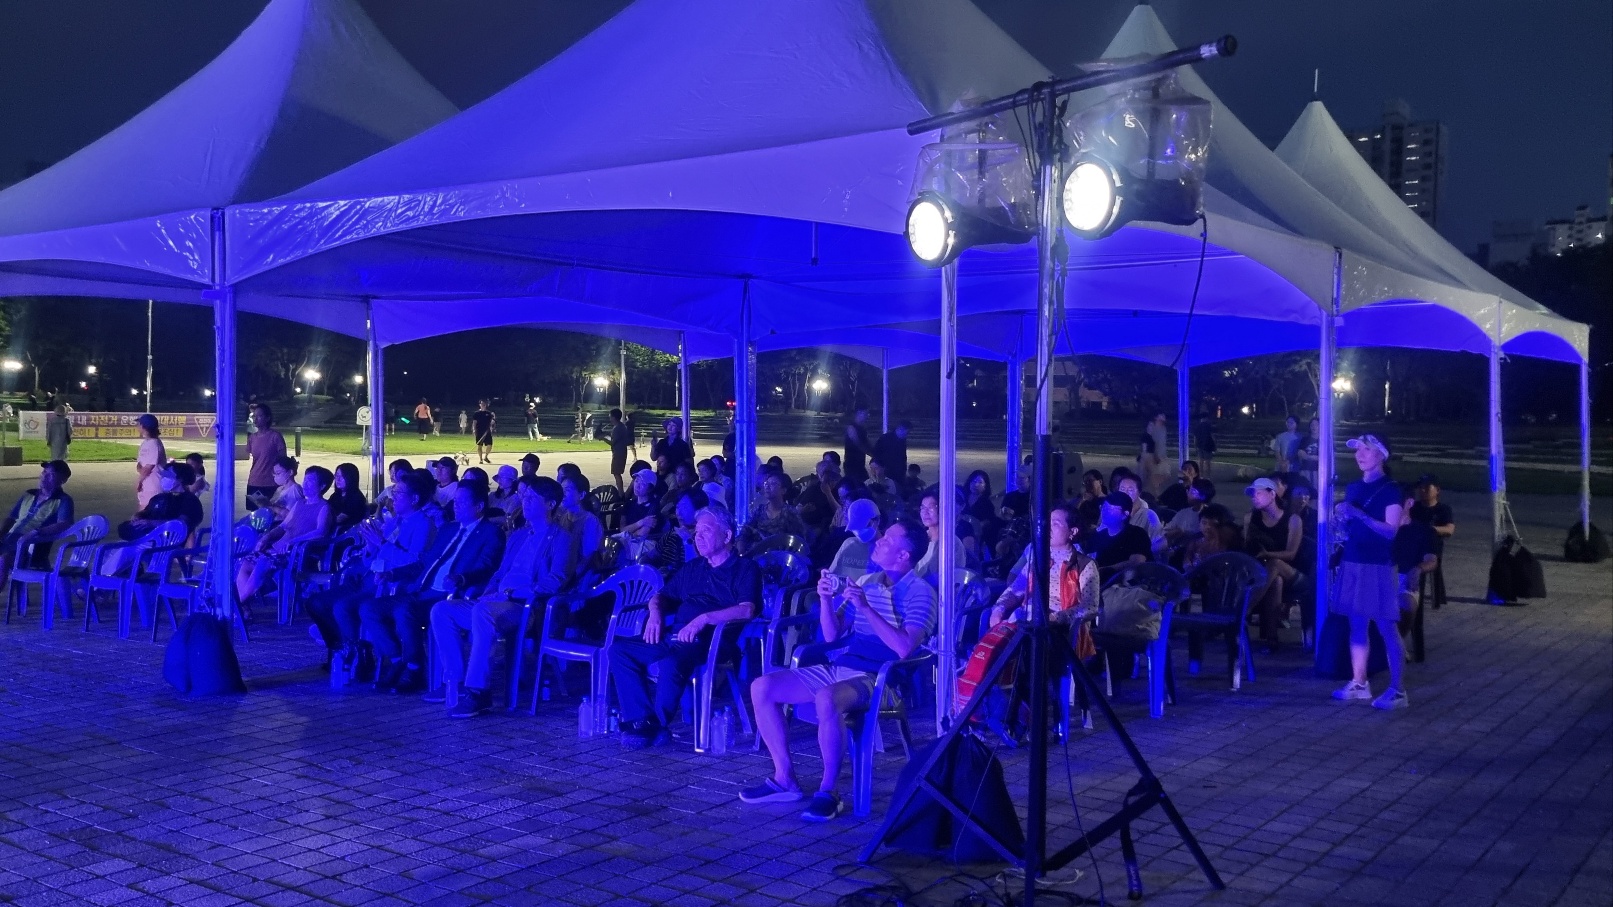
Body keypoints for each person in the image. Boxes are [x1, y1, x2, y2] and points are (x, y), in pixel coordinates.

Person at [743, 518, 933, 820]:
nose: (879, 541)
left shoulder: (920, 592)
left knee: (826, 698)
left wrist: (867, 608)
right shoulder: (868, 581)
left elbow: (903, 648)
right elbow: (832, 635)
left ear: (903, 556)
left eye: (887, 540)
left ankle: (829, 790)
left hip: (880, 678)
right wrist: (825, 599)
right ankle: (784, 778)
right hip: (843, 666)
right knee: (762, 687)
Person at [611, 508, 760, 748]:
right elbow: (661, 596)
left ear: (727, 535)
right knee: (620, 651)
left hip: (711, 641)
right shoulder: (694, 567)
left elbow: (746, 610)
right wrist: (655, 613)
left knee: (671, 662)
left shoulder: (745, 568)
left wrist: (703, 619)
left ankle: (655, 726)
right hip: (676, 635)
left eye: (706, 531)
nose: (697, 537)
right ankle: (642, 721)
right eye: (696, 532)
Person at [428, 476, 577, 717]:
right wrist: (489, 592)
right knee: (442, 610)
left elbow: (556, 580)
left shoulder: (562, 538)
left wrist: (509, 593)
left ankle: (478, 691)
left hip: (525, 606)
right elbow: (500, 572)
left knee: (482, 612)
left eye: (532, 498)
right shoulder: (519, 535)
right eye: (524, 497)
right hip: (496, 601)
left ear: (550, 504)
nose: (525, 502)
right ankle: (455, 680)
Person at [363, 483, 504, 694]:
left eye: (462, 502)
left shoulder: (490, 532)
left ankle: (415, 668)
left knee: (404, 610)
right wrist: (393, 574)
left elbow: (487, 566)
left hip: (449, 594)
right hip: (422, 589)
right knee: (369, 608)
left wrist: (462, 578)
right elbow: (424, 563)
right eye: (455, 501)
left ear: (479, 506)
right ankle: (397, 660)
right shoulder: (449, 529)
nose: (456, 505)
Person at [308, 470, 438, 666]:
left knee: (342, 606)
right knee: (316, 602)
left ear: (414, 499)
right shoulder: (395, 521)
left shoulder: (423, 524)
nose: (393, 497)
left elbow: (414, 562)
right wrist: (370, 547)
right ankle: (343, 649)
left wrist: (381, 543)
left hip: (389, 584)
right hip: (368, 578)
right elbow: (372, 560)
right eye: (394, 492)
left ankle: (355, 657)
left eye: (399, 493)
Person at [1330, 434, 1409, 711]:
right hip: (1353, 560)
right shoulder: (1354, 487)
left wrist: (1359, 515)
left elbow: (1390, 531)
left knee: (1386, 626)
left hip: (1378, 565)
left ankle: (1398, 689)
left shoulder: (1391, 489)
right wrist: (1341, 520)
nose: (1360, 454)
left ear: (1381, 455)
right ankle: (1359, 682)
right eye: (1358, 450)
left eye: (1367, 449)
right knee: (1357, 623)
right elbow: (1351, 526)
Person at [236, 466, 335, 608]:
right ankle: (243, 607)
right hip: (278, 549)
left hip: (296, 553)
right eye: (305, 480)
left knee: (262, 564)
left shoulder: (323, 507)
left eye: (311, 481)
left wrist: (294, 541)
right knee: (245, 562)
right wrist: (266, 537)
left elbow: (321, 532)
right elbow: (283, 526)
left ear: (322, 486)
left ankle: (238, 605)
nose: (305, 484)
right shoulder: (300, 504)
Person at [1243, 477, 1302, 651]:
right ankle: (1272, 638)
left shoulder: (1292, 520)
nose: (1254, 498)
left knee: (1275, 564)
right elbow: (1247, 547)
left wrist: (1268, 554)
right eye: (1253, 495)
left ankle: (1246, 607)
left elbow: (1291, 554)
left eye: (1259, 494)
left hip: (1291, 570)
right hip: (1263, 569)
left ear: (1272, 494)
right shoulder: (1250, 518)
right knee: (1276, 581)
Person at [0, 461, 76, 589]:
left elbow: (64, 524)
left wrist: (37, 532)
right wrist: (1, 533)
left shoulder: (63, 500)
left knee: (4, 559)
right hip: (10, 540)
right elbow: (12, 518)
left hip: (33, 546)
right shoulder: (29, 494)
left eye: (51, 474)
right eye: (44, 472)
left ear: (62, 480)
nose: (44, 476)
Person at [120, 462, 204, 541]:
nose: (163, 478)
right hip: (148, 536)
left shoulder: (190, 501)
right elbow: (146, 512)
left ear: (180, 479)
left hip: (167, 542)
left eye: (168, 476)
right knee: (124, 528)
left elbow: (181, 524)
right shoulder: (160, 497)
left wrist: (152, 523)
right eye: (163, 476)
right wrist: (137, 516)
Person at [1409, 474, 1454, 606]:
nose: (1422, 490)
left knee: (1429, 543)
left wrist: (1431, 529)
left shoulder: (1443, 509)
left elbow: (1449, 529)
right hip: (1413, 544)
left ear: (1437, 490)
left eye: (1427, 487)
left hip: (1432, 546)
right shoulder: (1414, 508)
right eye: (1420, 488)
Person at [1082, 491, 1152, 575]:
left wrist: (1106, 570)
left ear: (1125, 514)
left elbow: (1137, 561)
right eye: (1104, 507)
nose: (1105, 512)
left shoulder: (1137, 534)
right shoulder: (1097, 536)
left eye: (1110, 509)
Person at [740, 472, 807, 553]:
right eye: (766, 483)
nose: (767, 486)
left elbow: (800, 540)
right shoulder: (759, 510)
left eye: (773, 484)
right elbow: (745, 530)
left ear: (783, 490)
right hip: (758, 555)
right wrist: (741, 545)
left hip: (781, 556)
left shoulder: (790, 513)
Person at [245, 404, 286, 511]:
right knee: (254, 514)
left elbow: (283, 459)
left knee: (271, 513)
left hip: (271, 482)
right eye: (254, 416)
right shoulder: (252, 438)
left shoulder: (275, 436)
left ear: (267, 418)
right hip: (254, 481)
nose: (256, 419)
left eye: (259, 416)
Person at [827, 499, 881, 579]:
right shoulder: (848, 544)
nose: (858, 531)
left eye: (864, 525)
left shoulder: (886, 551)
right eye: (855, 527)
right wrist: (825, 582)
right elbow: (831, 575)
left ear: (877, 520)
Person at [1115, 472, 1165, 557]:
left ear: (1139, 492)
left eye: (1130, 490)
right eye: (1122, 489)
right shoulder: (1112, 512)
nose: (1125, 493)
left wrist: (1143, 554)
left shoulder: (1149, 515)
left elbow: (1161, 542)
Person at [1163, 477, 1215, 548]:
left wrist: (1185, 533)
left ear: (1203, 496)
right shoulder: (1183, 513)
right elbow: (1167, 530)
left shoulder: (1210, 515)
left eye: (1192, 492)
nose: (1188, 493)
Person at [133, 413, 166, 512]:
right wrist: (140, 470)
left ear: (143, 426)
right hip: (147, 483)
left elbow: (149, 467)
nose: (138, 426)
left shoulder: (154, 443)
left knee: (146, 513)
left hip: (153, 485)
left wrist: (139, 481)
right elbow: (140, 464)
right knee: (142, 511)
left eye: (139, 424)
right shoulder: (146, 442)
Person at [329, 463, 369, 531]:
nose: (338, 479)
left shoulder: (357, 498)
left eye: (342, 476)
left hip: (347, 533)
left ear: (351, 478)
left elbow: (339, 519)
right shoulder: (336, 496)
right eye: (337, 475)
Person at [841, 408, 873, 484]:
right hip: (852, 464)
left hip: (859, 463)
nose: (867, 416)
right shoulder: (852, 428)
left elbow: (866, 444)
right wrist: (872, 454)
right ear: (859, 413)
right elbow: (858, 444)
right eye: (865, 414)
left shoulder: (862, 428)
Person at [1138, 413, 1167, 495]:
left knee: (1153, 478)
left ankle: (1154, 492)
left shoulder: (1153, 436)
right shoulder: (1145, 436)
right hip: (1147, 457)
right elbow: (1144, 449)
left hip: (1152, 458)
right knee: (1145, 477)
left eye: (1152, 426)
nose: (1151, 427)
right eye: (1150, 426)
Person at [608, 408, 634, 491]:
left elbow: (613, 442)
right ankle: (621, 492)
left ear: (614, 417)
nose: (610, 418)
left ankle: (621, 493)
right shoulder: (621, 426)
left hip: (619, 453)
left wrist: (602, 438)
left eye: (610, 416)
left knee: (617, 474)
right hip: (621, 451)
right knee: (617, 473)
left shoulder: (617, 428)